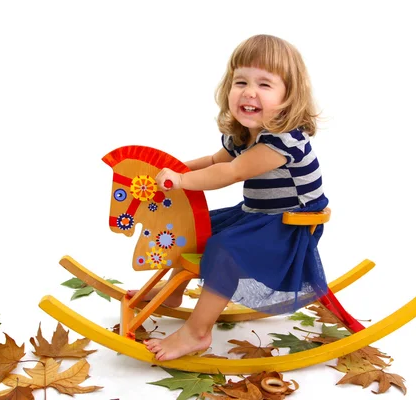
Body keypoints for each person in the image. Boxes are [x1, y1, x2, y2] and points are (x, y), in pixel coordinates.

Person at [128, 34, 329, 361]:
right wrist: (171, 167)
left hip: (291, 224)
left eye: (265, 84)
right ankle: (174, 292)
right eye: (241, 81)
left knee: (225, 250)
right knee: (195, 227)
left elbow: (230, 173)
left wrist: (180, 181)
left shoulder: (281, 142)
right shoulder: (244, 133)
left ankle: (197, 333)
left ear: (288, 96)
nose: (250, 92)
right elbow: (213, 162)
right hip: (256, 214)